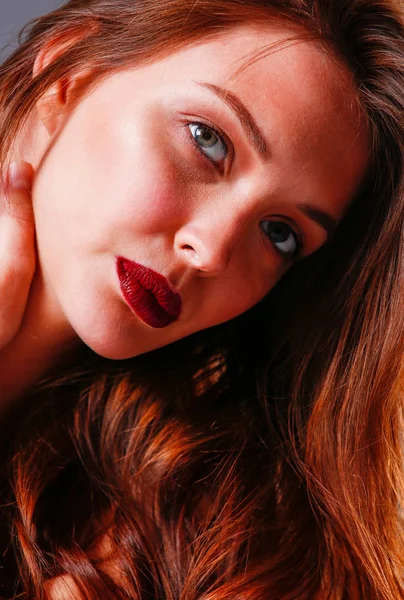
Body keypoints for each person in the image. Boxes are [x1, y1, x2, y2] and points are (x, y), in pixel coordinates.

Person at [0, 0, 402, 597]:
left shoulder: (187, 531)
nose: (213, 252)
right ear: (67, 78)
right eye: (207, 140)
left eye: (280, 233)